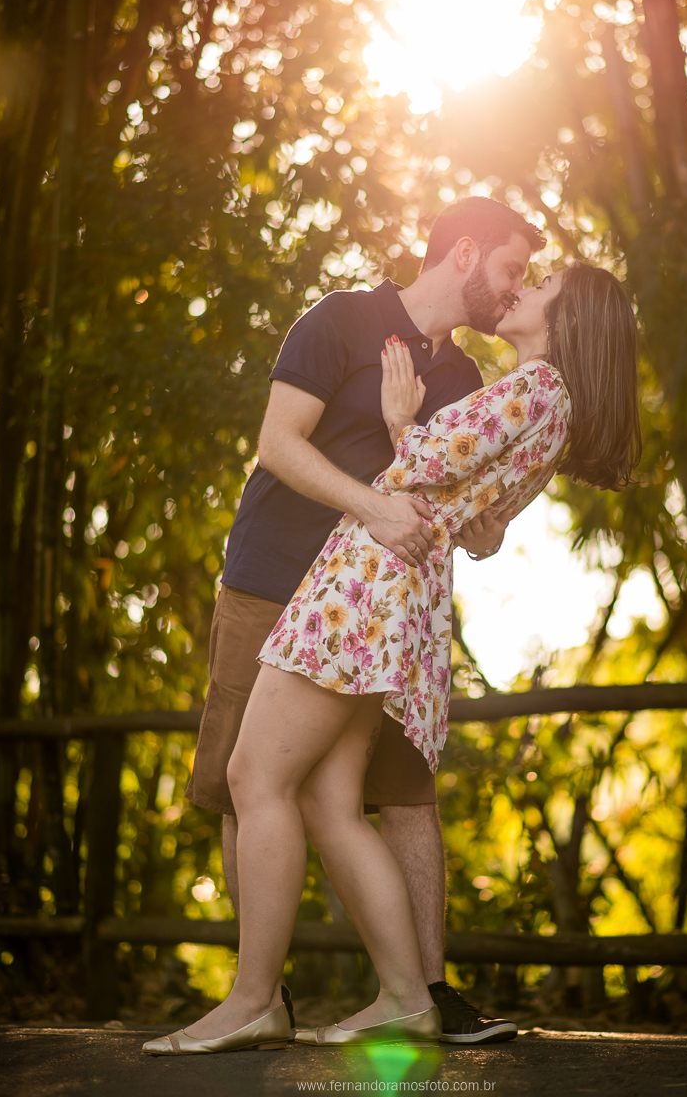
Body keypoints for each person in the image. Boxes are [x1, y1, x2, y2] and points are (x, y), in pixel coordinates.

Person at [144, 260, 642, 1055]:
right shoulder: (554, 411)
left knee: (256, 777)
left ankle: (251, 1001)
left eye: (541, 280)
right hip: (397, 600)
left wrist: (399, 417)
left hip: (360, 589)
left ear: (569, 317)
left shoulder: (534, 389)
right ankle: (406, 998)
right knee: (329, 802)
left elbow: (411, 473)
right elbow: (476, 518)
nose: (526, 284)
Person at [183, 196, 544, 1044]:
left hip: (377, 615)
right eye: (510, 270)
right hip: (272, 583)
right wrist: (374, 510)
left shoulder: (466, 382)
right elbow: (279, 443)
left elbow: (461, 511)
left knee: (402, 797)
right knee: (247, 787)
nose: (512, 290)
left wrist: (484, 525)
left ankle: (424, 994)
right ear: (463, 253)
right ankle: (258, 1001)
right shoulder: (340, 320)